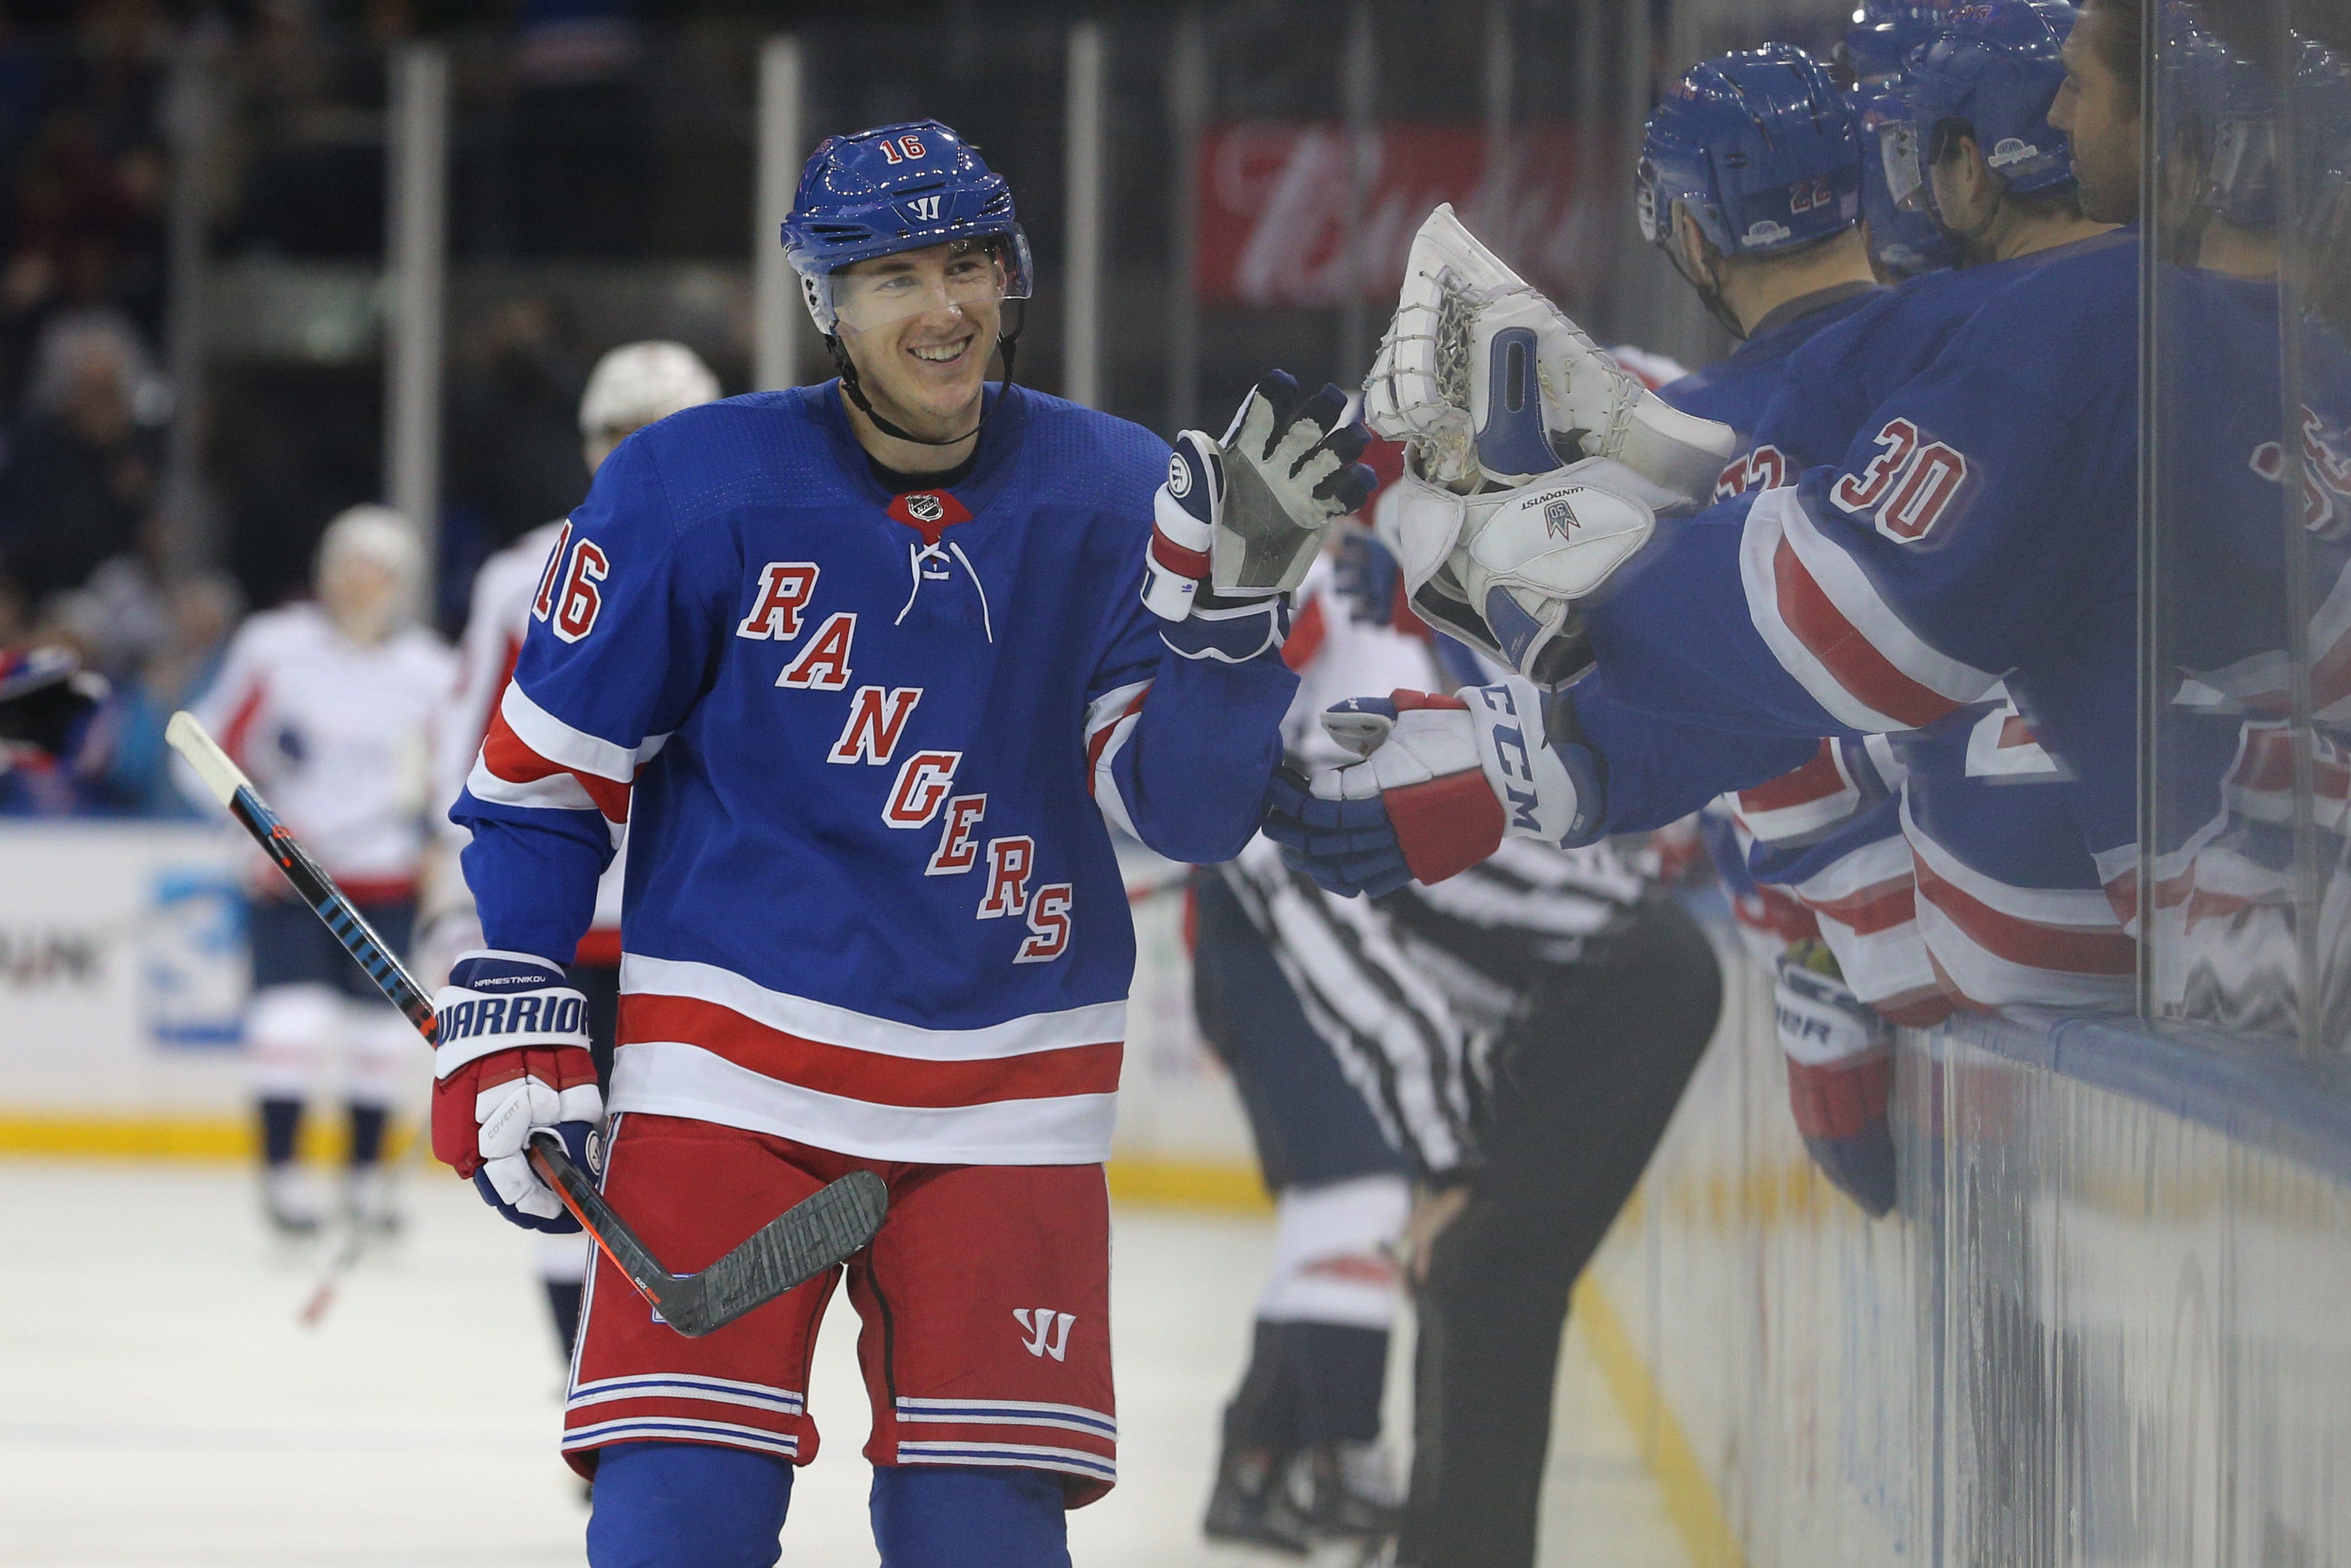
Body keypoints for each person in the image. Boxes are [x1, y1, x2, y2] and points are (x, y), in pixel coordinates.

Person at [438, 120, 1369, 1567]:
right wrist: (515, 991)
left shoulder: (1121, 493)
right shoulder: (689, 488)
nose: (940, 307)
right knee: (675, 1518)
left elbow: (1181, 812)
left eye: (965, 265)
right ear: (826, 305)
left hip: (1007, 1088)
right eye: (890, 278)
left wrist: (1231, 629)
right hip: (729, 1071)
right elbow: (545, 782)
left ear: (1012, 274)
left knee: (980, 1531)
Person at [425, 339, 720, 1364]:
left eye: (665, 431)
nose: (641, 453)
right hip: (572, 925)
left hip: (705, 923)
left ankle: (665, 1385)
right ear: (592, 444)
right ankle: (587, 1383)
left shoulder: (757, 559)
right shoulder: (521, 575)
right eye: (620, 434)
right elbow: (471, 737)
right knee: (563, 1164)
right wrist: (459, 890)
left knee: (694, 1170)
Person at [191, 505, 453, 1234]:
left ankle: (364, 1183)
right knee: (292, 1024)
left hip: (386, 879)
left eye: (379, 570)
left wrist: (436, 841)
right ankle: (283, 1180)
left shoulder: (432, 671)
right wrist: (253, 841)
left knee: (378, 1038)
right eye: (348, 564)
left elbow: (458, 778)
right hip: (291, 881)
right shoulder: (274, 648)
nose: (360, 583)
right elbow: (205, 754)